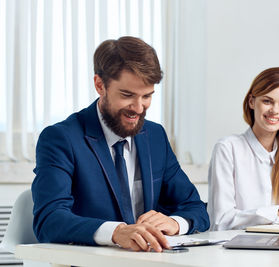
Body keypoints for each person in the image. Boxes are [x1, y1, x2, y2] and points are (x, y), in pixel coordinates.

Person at [32, 36, 209, 252]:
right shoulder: (61, 138)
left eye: (147, 96)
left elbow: (195, 208)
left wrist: (176, 223)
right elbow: (49, 220)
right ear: (100, 85)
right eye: (127, 95)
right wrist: (116, 233)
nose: (138, 108)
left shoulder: (155, 135)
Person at [207, 67, 279, 231]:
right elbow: (221, 221)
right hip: (239, 251)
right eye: (267, 101)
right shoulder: (228, 148)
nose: (275, 110)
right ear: (251, 102)